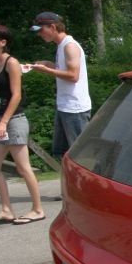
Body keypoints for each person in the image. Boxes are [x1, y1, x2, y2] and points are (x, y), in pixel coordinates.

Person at [0, 23, 45, 226]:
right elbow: (4, 92)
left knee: (23, 168)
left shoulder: (12, 62)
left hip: (14, 121)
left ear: (2, 42)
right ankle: (6, 210)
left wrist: (3, 122)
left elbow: (16, 95)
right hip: (2, 121)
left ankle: (38, 210)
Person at [27, 12, 91, 156]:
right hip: (64, 106)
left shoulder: (70, 46)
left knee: (80, 155)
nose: (39, 34)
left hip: (75, 109)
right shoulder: (61, 45)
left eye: (41, 30)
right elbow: (63, 70)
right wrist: (48, 64)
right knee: (61, 153)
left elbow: (73, 76)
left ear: (52, 27)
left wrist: (47, 70)